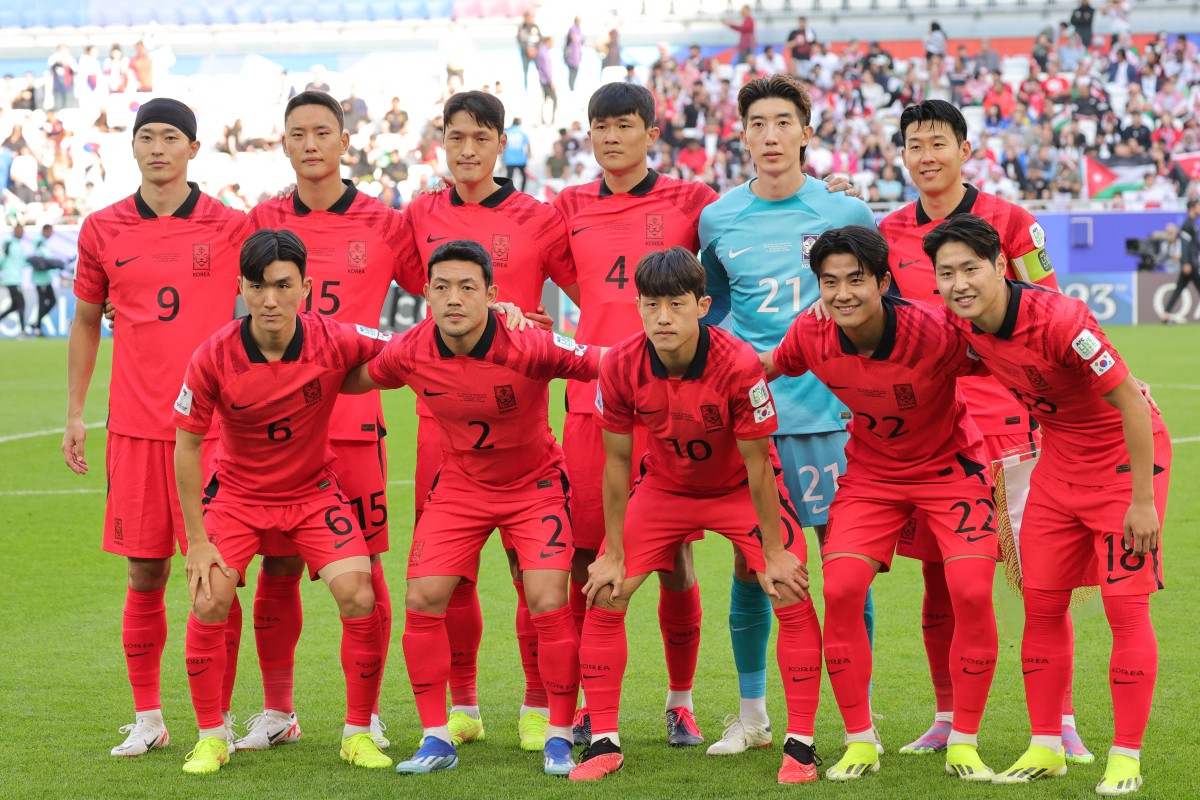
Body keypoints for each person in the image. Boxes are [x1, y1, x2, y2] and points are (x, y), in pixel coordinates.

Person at [878, 99, 1092, 762]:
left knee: (1039, 578)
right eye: (915, 144)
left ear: (965, 149)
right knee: (941, 580)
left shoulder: (1011, 222)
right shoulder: (887, 230)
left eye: (939, 142)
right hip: (927, 432)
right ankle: (946, 715)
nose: (927, 155)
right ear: (904, 154)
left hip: (1012, 425)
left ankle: (1061, 721)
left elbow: (1052, 308)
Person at [928, 213, 1170, 796]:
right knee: (1040, 607)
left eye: (970, 269)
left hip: (1121, 467)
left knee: (1125, 611)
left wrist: (1142, 500)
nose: (959, 283)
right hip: (1058, 468)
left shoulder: (1060, 319)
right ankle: (1046, 746)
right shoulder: (960, 326)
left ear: (999, 266)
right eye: (946, 272)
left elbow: (1133, 405)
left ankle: (1125, 756)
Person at [343, 239, 598, 777]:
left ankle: (557, 734)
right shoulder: (411, 350)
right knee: (423, 596)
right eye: (441, 288)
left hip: (534, 484)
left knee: (548, 595)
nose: (453, 298)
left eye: (466, 287)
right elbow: (351, 376)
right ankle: (437, 736)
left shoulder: (530, 343)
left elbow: (604, 362)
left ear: (491, 294)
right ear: (426, 296)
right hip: (461, 485)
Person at [569, 247, 819, 784]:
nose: (663, 316)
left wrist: (773, 553)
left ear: (702, 304)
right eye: (652, 304)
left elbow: (758, 465)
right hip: (665, 489)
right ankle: (605, 741)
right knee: (606, 591)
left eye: (677, 304)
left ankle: (801, 744)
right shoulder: (619, 363)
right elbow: (615, 462)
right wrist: (612, 553)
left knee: (790, 586)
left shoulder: (740, 362)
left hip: (737, 489)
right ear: (636, 305)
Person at [765, 225, 1000, 782]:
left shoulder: (937, 331)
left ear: (884, 282)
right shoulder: (811, 333)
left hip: (950, 470)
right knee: (842, 588)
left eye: (855, 280)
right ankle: (859, 740)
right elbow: (761, 370)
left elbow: (1009, 356)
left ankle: (964, 741)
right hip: (872, 476)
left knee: (970, 590)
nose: (843, 294)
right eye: (829, 283)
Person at [62, 97, 253, 757]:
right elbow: (87, 320)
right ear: (133, 147)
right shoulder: (102, 227)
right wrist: (74, 413)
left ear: (194, 149)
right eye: (146, 137)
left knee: (214, 579)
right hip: (137, 431)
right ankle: (148, 718)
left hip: (216, 435)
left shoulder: (233, 226)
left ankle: (219, 719)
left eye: (171, 137)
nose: (157, 148)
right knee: (144, 574)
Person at [396, 88, 581, 752]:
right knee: (449, 577)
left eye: (480, 138)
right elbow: (402, 292)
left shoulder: (539, 216)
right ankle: (463, 705)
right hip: (439, 420)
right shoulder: (417, 215)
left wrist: (543, 329)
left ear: (502, 143)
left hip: (518, 414)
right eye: (455, 137)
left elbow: (585, 293)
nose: (467, 150)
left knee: (533, 573)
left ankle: (539, 706)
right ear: (441, 142)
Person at [698, 74, 876, 756]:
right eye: (757, 124)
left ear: (807, 132)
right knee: (753, 567)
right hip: (751, 423)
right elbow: (709, 306)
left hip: (829, 417)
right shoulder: (719, 218)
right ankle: (752, 716)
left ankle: (855, 720)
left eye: (783, 123)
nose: (770, 136)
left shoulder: (845, 215)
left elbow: (879, 298)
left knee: (844, 567)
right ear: (742, 135)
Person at [237, 90, 418, 752]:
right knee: (276, 570)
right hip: (276, 429)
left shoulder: (386, 224)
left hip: (354, 423)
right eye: (298, 133)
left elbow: (448, 292)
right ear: (282, 144)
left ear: (346, 142)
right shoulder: (261, 219)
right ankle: (279, 711)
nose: (310, 143)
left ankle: (364, 715)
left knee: (365, 572)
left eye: (323, 132)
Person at [171, 229, 390, 774]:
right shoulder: (213, 355)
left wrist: (500, 315)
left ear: (306, 288)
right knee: (209, 599)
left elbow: (409, 347)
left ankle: (358, 733)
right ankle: (211, 736)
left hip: (312, 493)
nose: (270, 298)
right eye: (258, 286)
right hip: (239, 497)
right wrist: (197, 541)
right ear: (241, 288)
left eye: (282, 285)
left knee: (360, 594)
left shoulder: (333, 338)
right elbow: (187, 445)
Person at [553, 82, 718, 748]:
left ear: (653, 134)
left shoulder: (693, 201)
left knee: (674, 557)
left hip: (671, 405)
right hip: (592, 404)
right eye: (600, 125)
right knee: (586, 558)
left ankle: (680, 702)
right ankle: (593, 702)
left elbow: (747, 243)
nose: (611, 136)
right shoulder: (566, 206)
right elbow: (563, 280)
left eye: (625, 124)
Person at [1162, 198, 1200, 322]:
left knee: (1179, 289)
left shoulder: (1192, 223)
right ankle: (1165, 314)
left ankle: (1165, 314)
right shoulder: (1187, 224)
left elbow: (1194, 244)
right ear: (1192, 208)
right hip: (1191, 263)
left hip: (1191, 262)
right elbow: (1185, 244)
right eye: (1198, 206)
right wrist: (1186, 262)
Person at [28, 224, 60, 336]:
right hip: (40, 279)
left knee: (52, 301)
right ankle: (37, 327)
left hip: (46, 278)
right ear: (45, 230)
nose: (51, 234)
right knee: (42, 303)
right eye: (50, 231)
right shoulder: (39, 241)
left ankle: (36, 323)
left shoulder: (43, 241)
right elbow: (41, 258)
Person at [0, 223, 26, 332]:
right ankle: (23, 331)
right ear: (14, 231)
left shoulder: (17, 245)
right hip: (11, 279)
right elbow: (1, 258)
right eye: (20, 231)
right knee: (21, 304)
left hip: (16, 279)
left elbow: (20, 263)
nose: (22, 234)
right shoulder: (9, 243)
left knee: (14, 306)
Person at [503, 118, 530, 192]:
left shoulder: (507, 132)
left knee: (509, 177)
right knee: (523, 176)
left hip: (510, 159)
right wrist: (528, 156)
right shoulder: (522, 133)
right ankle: (522, 191)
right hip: (520, 159)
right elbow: (527, 145)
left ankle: (507, 192)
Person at [517, 12, 542, 90]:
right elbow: (519, 40)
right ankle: (526, 87)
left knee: (539, 69)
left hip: (534, 53)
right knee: (525, 71)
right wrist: (527, 50)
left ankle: (541, 86)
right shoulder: (521, 27)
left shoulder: (535, 26)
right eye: (527, 18)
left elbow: (540, 38)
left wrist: (535, 49)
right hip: (525, 53)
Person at [536, 38, 558, 126]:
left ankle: (545, 120)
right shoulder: (543, 53)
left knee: (545, 101)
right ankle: (550, 120)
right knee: (553, 100)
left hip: (543, 80)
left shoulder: (541, 51)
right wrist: (551, 82)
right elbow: (546, 69)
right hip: (546, 81)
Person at [565, 17, 583, 92]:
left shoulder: (578, 29)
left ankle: (572, 87)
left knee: (575, 71)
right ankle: (571, 87)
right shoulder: (573, 29)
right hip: (572, 55)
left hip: (576, 55)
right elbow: (574, 39)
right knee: (572, 71)